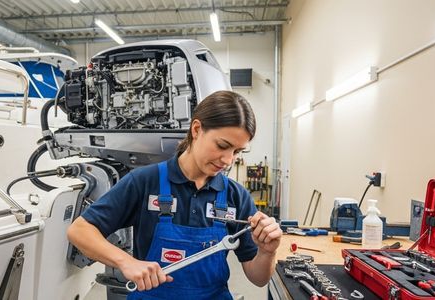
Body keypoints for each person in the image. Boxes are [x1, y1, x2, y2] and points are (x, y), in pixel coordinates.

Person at [67, 90, 281, 299]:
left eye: (237, 151)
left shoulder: (236, 196)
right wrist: (126, 262)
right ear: (196, 129)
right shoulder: (145, 181)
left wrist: (267, 252)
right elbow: (80, 230)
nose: (227, 160)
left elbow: (259, 279)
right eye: (222, 146)